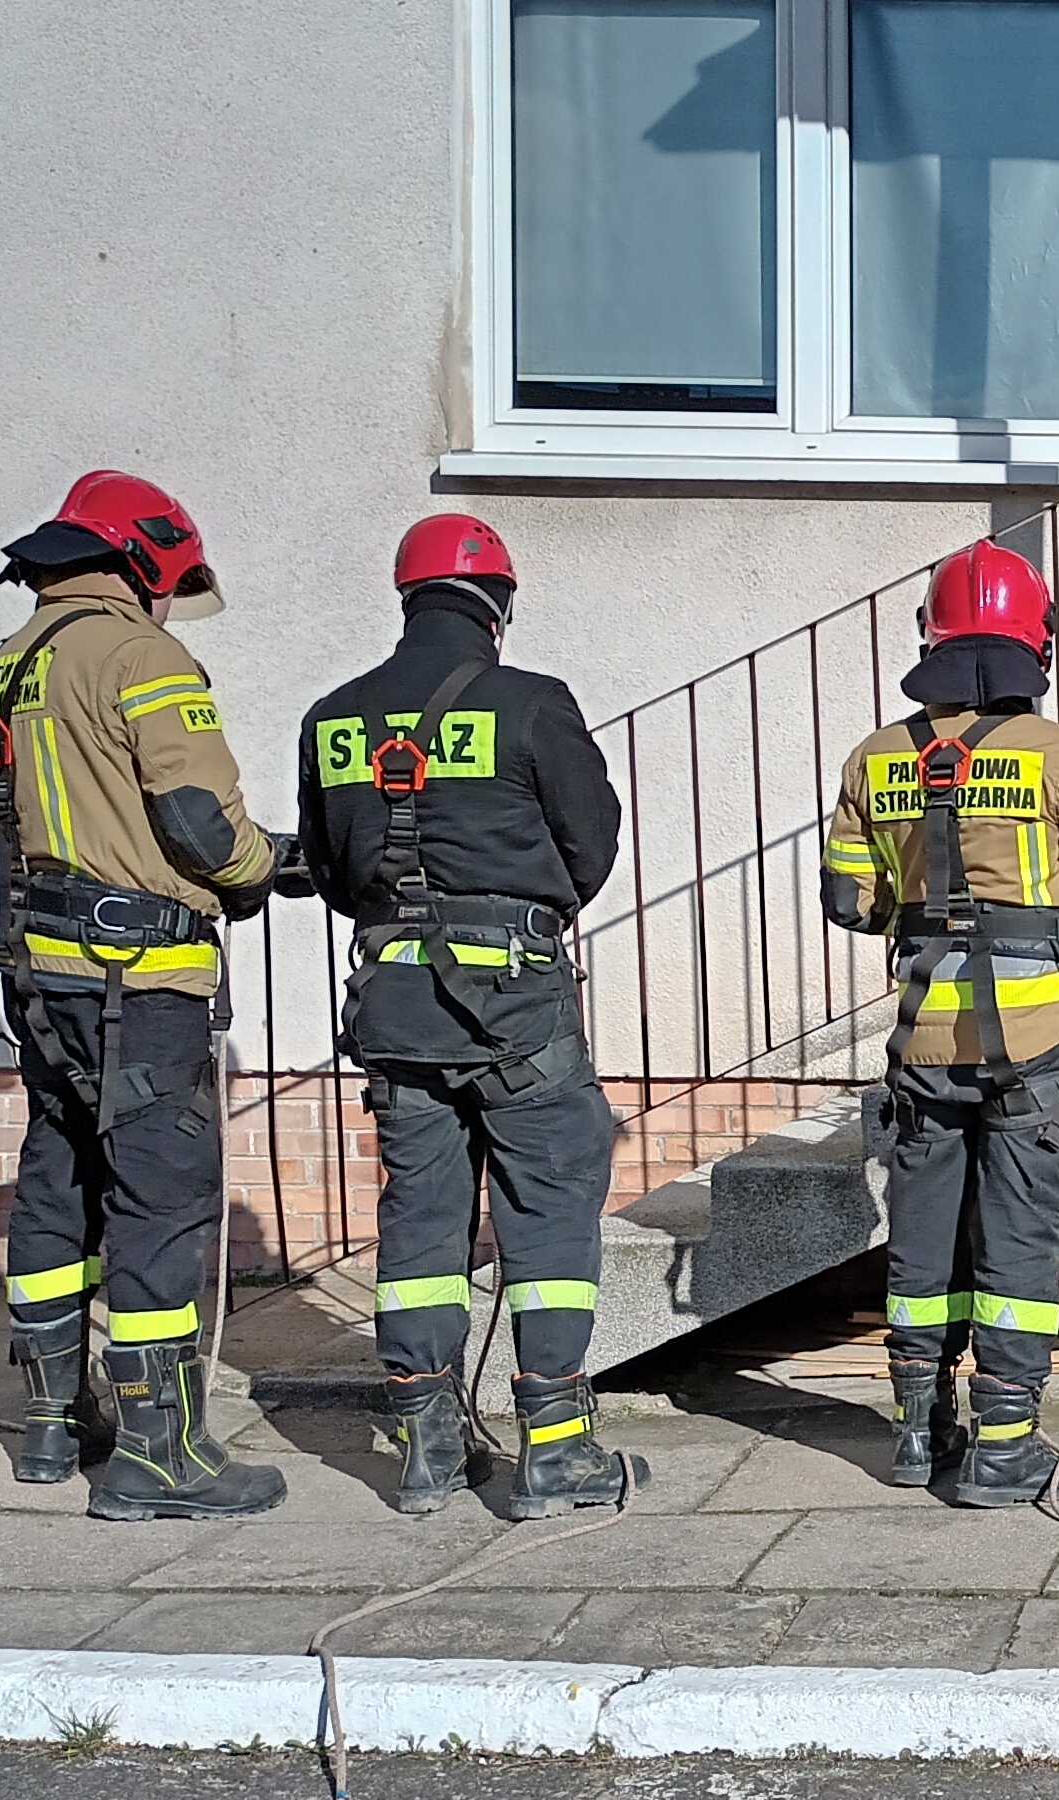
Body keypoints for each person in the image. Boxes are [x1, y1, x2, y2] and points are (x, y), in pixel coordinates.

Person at [0, 470, 296, 1522]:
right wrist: (264, 868)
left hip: (39, 976)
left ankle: (53, 1422)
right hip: (137, 981)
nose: (169, 603)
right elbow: (198, 821)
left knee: (58, 1180)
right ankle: (161, 1452)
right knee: (160, 1200)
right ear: (142, 559)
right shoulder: (139, 656)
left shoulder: (3, 668)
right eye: (168, 583)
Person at [294, 514, 638, 1519]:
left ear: (409, 599)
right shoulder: (532, 703)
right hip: (515, 1006)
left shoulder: (333, 719)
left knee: (421, 1215)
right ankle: (558, 1453)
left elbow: (332, 871)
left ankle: (426, 1448)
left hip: (394, 1004)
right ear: (498, 606)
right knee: (549, 1210)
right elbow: (591, 845)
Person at [821, 540, 1059, 1506]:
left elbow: (849, 902)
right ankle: (1006, 1448)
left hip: (922, 1045)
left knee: (922, 1238)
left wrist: (922, 902)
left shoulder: (876, 757)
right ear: (1034, 643)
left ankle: (917, 1432)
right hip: (1032, 1049)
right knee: (1018, 1240)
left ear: (930, 638)